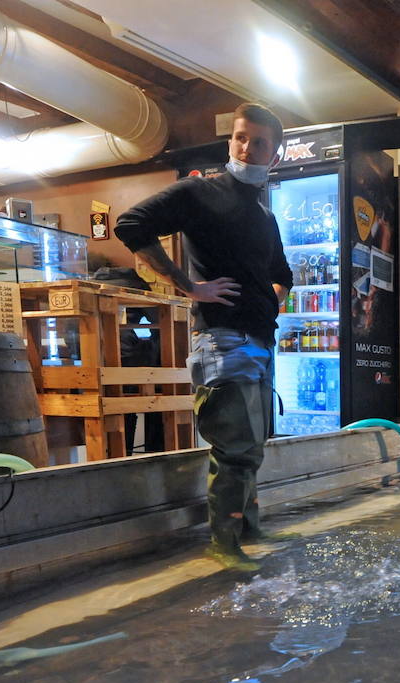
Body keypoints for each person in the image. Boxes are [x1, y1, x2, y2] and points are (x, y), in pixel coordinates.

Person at [115, 102, 292, 571]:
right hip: (221, 341)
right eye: (240, 137)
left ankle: (247, 527)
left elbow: (282, 274)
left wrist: (267, 302)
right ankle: (224, 544)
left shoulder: (264, 218)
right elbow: (130, 225)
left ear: (274, 156)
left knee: (251, 447)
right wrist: (188, 285)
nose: (246, 148)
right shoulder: (201, 193)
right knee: (235, 449)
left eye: (259, 142)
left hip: (257, 342)